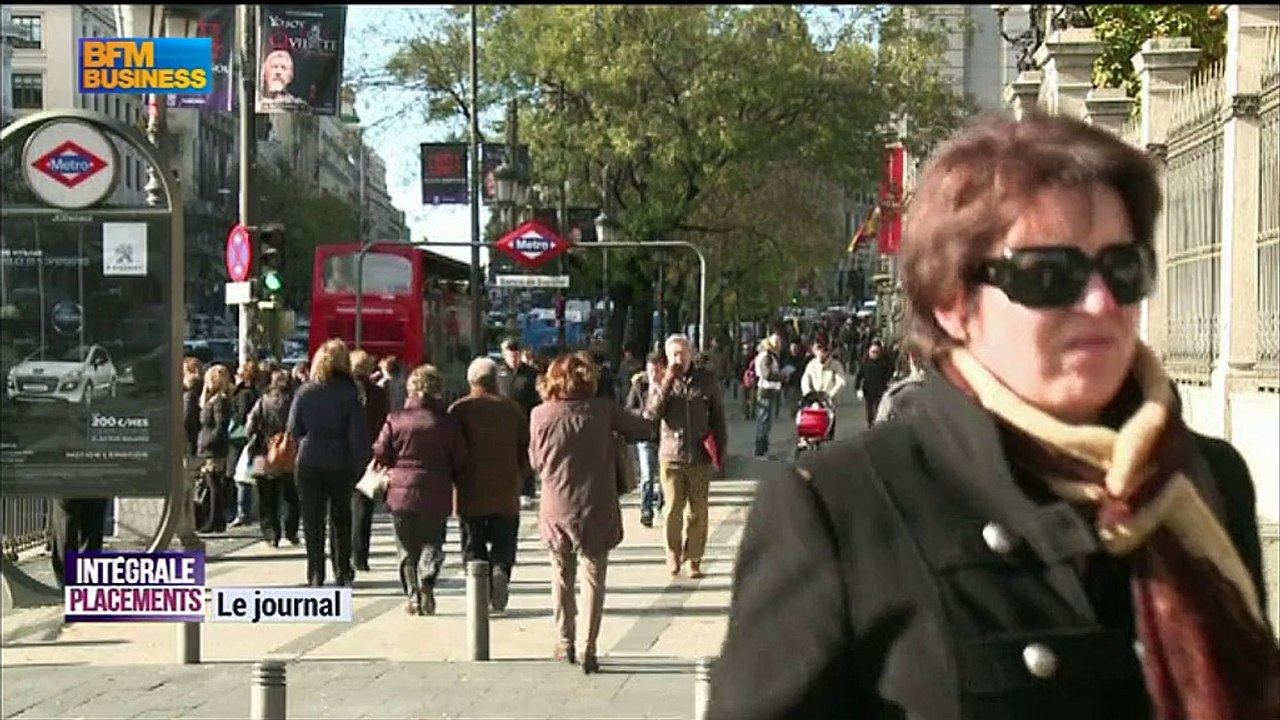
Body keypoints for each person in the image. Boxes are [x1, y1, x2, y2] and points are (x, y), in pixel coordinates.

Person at [707, 113, 1279, 719]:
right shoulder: (838, 508)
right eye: (1049, 275)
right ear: (954, 304)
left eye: (1123, 269)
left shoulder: (1204, 479)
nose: (1100, 302)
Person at [528, 352, 654, 673]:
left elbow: (535, 462)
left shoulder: (540, 415)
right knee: (593, 578)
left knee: (561, 574)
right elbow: (644, 428)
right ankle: (589, 646)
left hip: (556, 506)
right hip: (595, 505)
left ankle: (564, 640)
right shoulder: (603, 410)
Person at [372, 364, 468, 615]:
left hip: (400, 492)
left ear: (411, 389)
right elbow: (460, 457)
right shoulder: (447, 422)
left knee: (405, 548)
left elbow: (381, 452)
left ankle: (413, 595)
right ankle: (428, 578)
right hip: (436, 490)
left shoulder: (395, 419)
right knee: (433, 542)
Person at [449, 356, 530, 613]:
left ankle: (479, 588)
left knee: (473, 544)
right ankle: (500, 571)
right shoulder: (512, 409)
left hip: (469, 492)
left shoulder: (459, 410)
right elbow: (525, 450)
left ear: (470, 380)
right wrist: (521, 476)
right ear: (496, 380)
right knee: (504, 541)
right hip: (506, 491)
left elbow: (451, 450)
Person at [286, 339, 370, 588]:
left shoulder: (305, 391)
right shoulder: (351, 392)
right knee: (340, 518)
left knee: (312, 520)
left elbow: (293, 429)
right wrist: (361, 462)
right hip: (341, 460)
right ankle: (342, 570)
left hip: (309, 459)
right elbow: (357, 433)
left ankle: (315, 573)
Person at [645, 334, 727, 579]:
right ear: (668, 357)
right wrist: (668, 379)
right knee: (672, 509)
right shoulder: (663, 380)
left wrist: (721, 452)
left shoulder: (707, 381)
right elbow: (652, 414)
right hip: (671, 456)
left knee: (698, 510)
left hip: (699, 454)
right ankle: (672, 553)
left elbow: (718, 418)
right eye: (674, 354)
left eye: (682, 353)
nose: (679, 358)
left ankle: (694, 558)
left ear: (691, 353)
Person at [245, 369, 301, 547]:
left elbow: (250, 427)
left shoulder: (262, 402)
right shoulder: (294, 401)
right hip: (290, 453)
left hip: (266, 454)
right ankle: (291, 531)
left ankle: (271, 533)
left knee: (267, 498)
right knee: (291, 496)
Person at [349, 349, 390, 573]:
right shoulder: (378, 394)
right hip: (369, 455)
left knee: (341, 508)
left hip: (345, 455)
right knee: (363, 508)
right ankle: (360, 555)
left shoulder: (344, 393)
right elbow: (386, 423)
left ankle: (345, 553)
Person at [626, 350, 667, 527]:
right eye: (651, 371)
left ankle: (662, 504)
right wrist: (641, 413)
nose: (654, 375)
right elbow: (629, 407)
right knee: (648, 474)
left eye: (657, 371)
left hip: (665, 436)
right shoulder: (639, 386)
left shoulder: (669, 386)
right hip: (645, 436)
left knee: (664, 475)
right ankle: (646, 510)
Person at [195, 364, 234, 533]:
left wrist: (208, 442)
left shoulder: (220, 401)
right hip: (209, 446)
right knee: (212, 483)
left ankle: (214, 520)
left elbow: (220, 426)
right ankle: (216, 520)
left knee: (213, 483)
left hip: (213, 449)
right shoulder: (213, 399)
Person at [751, 332, 785, 458]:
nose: (778, 346)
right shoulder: (766, 356)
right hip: (766, 389)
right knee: (764, 420)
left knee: (766, 420)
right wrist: (781, 377)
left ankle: (763, 446)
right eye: (776, 343)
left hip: (769, 389)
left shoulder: (769, 356)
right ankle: (760, 448)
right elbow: (767, 374)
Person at [853, 338, 894, 427]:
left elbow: (890, 371)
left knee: (879, 409)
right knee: (869, 411)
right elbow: (859, 376)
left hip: (881, 389)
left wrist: (889, 381)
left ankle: (878, 425)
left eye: (876, 352)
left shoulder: (885, 362)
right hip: (868, 390)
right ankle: (870, 425)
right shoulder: (865, 362)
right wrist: (857, 389)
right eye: (872, 352)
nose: (874, 354)